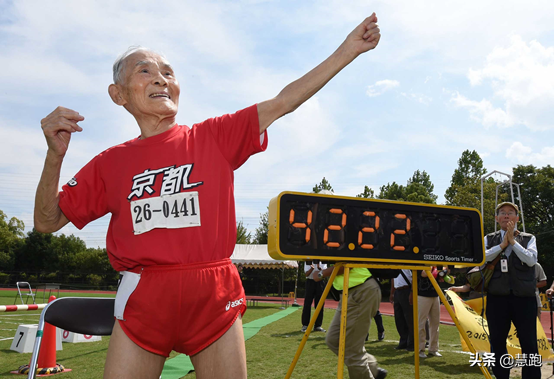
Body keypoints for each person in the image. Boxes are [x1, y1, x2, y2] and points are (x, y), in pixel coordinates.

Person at [34, 15, 381, 379]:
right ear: (118, 94)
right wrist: (54, 156)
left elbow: (283, 102)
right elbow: (46, 221)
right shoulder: (110, 163)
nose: (161, 78)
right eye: (145, 71)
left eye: (168, 72)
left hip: (213, 294)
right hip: (144, 297)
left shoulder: (212, 137)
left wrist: (349, 49)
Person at [484, 202, 539, 379]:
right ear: (496, 218)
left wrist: (512, 242)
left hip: (524, 299)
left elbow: (531, 260)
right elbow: (482, 258)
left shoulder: (528, 238)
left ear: (517, 218)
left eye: (510, 213)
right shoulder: (489, 238)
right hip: (497, 298)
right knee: (498, 343)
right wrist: (501, 245)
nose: (506, 215)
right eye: (502, 213)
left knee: (529, 344)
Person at [314, 265, 387, 379]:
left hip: (360, 290)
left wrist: (321, 273)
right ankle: (371, 368)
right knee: (334, 340)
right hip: (349, 293)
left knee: (351, 348)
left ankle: (368, 370)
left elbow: (347, 263)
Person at [417, 268, 443, 358]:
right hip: (422, 295)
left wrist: (443, 272)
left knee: (435, 323)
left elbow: (442, 273)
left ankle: (433, 349)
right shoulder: (419, 262)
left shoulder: (435, 263)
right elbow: (424, 273)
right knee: (421, 324)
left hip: (435, 295)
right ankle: (420, 349)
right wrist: (433, 266)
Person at [390, 269, 414, 351]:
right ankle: (403, 342)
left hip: (406, 290)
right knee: (399, 318)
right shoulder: (395, 265)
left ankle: (412, 344)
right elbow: (393, 279)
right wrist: (392, 293)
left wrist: (412, 292)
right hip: (397, 291)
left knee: (409, 318)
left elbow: (414, 277)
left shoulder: (408, 264)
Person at [301, 260, 327, 332]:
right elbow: (306, 274)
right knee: (307, 304)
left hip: (320, 282)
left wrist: (318, 267)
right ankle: (305, 325)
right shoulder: (308, 261)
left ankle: (318, 326)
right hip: (310, 282)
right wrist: (312, 268)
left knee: (320, 304)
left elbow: (324, 273)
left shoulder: (323, 261)